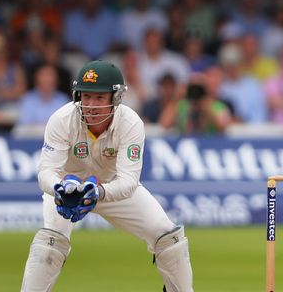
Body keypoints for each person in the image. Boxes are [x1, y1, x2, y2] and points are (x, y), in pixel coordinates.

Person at [20, 60, 193, 291]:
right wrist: (58, 188)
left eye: (100, 98)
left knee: (169, 237)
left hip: (111, 186)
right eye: (86, 96)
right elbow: (46, 172)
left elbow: (129, 182)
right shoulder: (61, 119)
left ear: (116, 98)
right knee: (50, 241)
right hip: (68, 188)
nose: (91, 105)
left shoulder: (130, 123)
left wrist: (98, 192)